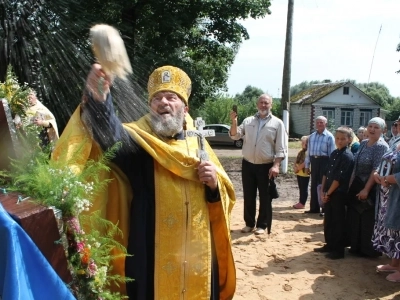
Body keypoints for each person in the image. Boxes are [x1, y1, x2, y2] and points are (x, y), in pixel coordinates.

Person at [53, 64, 236, 299]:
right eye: (157, 98)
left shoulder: (198, 143)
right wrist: (100, 97)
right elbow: (111, 135)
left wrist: (213, 186)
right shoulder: (141, 143)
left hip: (198, 253)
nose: (163, 103)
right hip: (151, 251)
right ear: (150, 107)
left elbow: (226, 196)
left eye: (171, 97)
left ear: (185, 108)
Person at [229, 94, 287, 235]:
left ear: (271, 105)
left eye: (266, 103)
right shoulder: (248, 121)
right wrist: (234, 121)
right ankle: (249, 223)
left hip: (266, 165)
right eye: (261, 102)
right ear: (257, 104)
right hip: (248, 164)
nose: (263, 105)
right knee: (249, 195)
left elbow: (281, 147)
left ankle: (262, 225)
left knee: (265, 196)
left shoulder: (277, 123)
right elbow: (235, 135)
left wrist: (276, 165)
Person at [346, 117, 389, 257]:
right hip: (358, 183)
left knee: (367, 218)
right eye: (370, 126)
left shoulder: (381, 146)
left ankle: (368, 250)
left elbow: (376, 169)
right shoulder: (364, 143)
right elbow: (356, 165)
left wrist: (366, 189)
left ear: (382, 130)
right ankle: (356, 246)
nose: (372, 129)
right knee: (355, 216)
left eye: (376, 127)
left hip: (372, 187)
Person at [313, 127, 354, 259]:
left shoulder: (347, 156)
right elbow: (326, 173)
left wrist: (329, 193)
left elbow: (339, 178)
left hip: (339, 194)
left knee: (338, 222)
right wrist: (323, 191)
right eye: (337, 138)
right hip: (328, 192)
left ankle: (338, 250)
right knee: (328, 219)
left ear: (349, 140)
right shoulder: (334, 153)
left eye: (343, 139)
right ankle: (329, 244)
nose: (339, 141)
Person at [372, 130, 400, 281]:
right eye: (397, 123)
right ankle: (395, 263)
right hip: (388, 195)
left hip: (396, 193)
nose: (397, 126)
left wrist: (392, 178)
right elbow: (385, 161)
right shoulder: (396, 141)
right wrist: (377, 172)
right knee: (393, 233)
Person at [304, 116, 335, 214]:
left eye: (321, 122)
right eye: (317, 122)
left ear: (326, 124)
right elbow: (308, 152)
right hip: (314, 161)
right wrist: (306, 165)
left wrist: (330, 168)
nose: (319, 124)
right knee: (313, 185)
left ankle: (325, 209)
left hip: (325, 161)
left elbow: (332, 154)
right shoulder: (312, 136)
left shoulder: (329, 136)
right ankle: (314, 208)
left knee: (323, 185)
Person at [293, 136, 310, 209]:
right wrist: (294, 168)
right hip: (299, 173)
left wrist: (298, 168)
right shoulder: (301, 152)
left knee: (304, 188)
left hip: (304, 174)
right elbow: (296, 160)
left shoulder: (307, 153)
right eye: (302, 142)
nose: (302, 144)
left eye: (304, 143)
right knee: (300, 188)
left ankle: (302, 202)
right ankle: (300, 201)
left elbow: (305, 163)